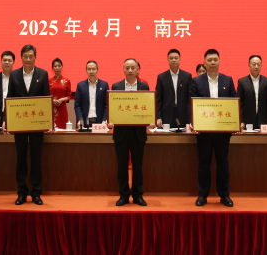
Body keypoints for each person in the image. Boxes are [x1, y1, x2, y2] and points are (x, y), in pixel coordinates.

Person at [3, 44, 51, 206]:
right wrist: (7, 121)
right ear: (21, 58)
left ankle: (36, 193)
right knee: (21, 158)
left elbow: (46, 99)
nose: (28, 59)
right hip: (20, 124)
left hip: (37, 124)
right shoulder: (14, 75)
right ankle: (22, 193)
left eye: (31, 56)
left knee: (36, 159)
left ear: (35, 57)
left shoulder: (42, 74)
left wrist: (48, 122)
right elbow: (9, 99)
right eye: (25, 56)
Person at [188, 49, 236, 207]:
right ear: (204, 63)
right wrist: (192, 123)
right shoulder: (197, 81)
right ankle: (202, 195)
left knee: (223, 164)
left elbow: (234, 102)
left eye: (215, 60)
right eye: (209, 60)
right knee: (204, 164)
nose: (213, 63)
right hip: (204, 131)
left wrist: (236, 122)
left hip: (222, 131)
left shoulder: (228, 80)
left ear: (219, 62)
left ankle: (224, 195)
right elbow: (191, 104)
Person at [109, 58, 150, 207]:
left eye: (133, 68)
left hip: (138, 132)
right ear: (123, 69)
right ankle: (124, 195)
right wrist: (110, 119)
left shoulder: (144, 86)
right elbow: (113, 107)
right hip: (121, 132)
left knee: (138, 165)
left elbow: (147, 106)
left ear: (138, 69)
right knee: (122, 166)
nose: (130, 70)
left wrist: (150, 119)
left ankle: (138, 195)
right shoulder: (116, 86)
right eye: (127, 68)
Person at [155, 48, 193, 130]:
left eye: (176, 58)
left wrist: (190, 119)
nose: (174, 60)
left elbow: (189, 99)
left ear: (180, 60)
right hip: (167, 114)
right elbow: (158, 99)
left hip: (183, 114)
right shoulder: (161, 77)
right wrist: (158, 117)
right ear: (168, 60)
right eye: (171, 58)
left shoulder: (187, 76)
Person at [237, 55, 267, 130]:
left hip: (263, 121)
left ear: (261, 66)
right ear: (249, 65)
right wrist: (241, 121)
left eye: (258, 64)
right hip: (247, 121)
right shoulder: (242, 82)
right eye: (254, 64)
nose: (256, 67)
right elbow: (240, 104)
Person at [75, 60, 109, 128]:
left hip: (100, 121)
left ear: (97, 70)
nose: (91, 71)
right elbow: (77, 105)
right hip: (85, 121)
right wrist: (80, 120)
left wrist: (104, 120)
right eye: (89, 69)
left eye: (93, 69)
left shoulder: (104, 85)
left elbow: (107, 105)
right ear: (86, 71)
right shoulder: (80, 85)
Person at [49, 58, 72, 129]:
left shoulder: (67, 81)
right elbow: (46, 95)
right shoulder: (49, 81)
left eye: (59, 66)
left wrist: (61, 100)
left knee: (63, 129)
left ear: (62, 67)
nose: (57, 68)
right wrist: (52, 100)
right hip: (51, 108)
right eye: (55, 66)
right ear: (52, 68)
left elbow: (69, 96)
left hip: (62, 109)